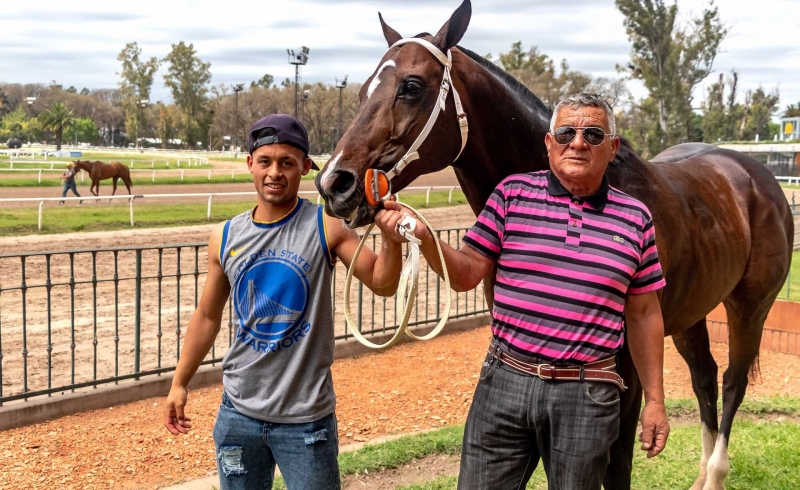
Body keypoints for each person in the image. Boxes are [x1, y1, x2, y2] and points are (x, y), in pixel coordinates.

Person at [381, 93, 670, 489]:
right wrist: (423, 234)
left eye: (594, 134)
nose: (579, 143)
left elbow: (644, 314)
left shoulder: (635, 218)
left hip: (587, 395)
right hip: (505, 383)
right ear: (550, 143)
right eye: (566, 132)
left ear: (613, 148)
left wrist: (655, 400)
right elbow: (466, 273)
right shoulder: (511, 195)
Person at [162, 114, 409, 490]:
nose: (274, 172)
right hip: (238, 415)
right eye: (265, 161)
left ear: (305, 167)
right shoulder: (224, 236)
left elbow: (382, 282)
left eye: (287, 162)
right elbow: (207, 316)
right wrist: (180, 382)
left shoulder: (326, 224)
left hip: (306, 422)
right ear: (250, 165)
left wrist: (391, 240)